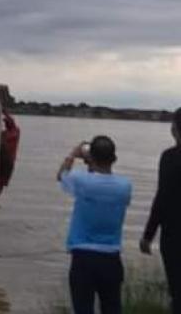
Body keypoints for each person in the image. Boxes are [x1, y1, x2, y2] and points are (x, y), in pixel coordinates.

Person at [57, 136, 132, 314]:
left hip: (83, 258)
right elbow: (101, 181)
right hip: (112, 258)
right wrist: (91, 162)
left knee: (83, 309)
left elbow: (61, 176)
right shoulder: (125, 186)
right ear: (114, 159)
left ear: (91, 158)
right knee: (112, 308)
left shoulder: (81, 181)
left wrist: (73, 155)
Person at [140, 107, 181, 314]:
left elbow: (162, 198)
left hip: (174, 235)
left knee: (177, 290)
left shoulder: (169, 158)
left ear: (174, 129)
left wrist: (148, 235)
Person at [0, 110, 20, 199]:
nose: (6, 124)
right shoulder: (3, 134)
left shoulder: (16, 131)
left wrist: (4, 112)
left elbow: (11, 120)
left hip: (9, 160)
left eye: (7, 122)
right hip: (1, 158)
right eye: (5, 122)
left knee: (2, 182)